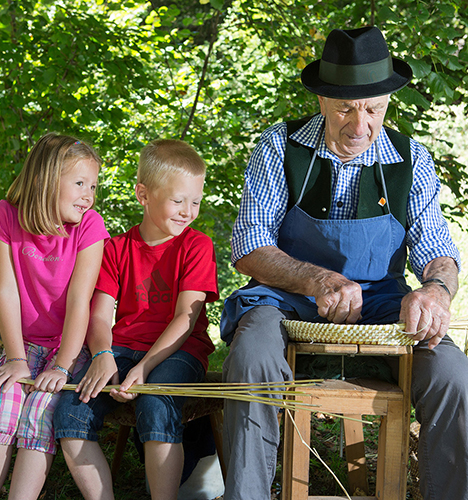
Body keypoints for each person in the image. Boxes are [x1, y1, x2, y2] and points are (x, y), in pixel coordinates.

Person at [220, 26, 468, 500]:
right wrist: (317, 278)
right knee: (251, 358)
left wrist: (435, 290)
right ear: (321, 102)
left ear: (388, 104)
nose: (360, 126)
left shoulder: (410, 159)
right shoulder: (281, 147)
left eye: (372, 109)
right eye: (346, 110)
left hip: (379, 306)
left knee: (454, 375)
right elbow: (249, 245)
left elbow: (436, 247)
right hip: (287, 301)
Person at [53, 138, 219, 500]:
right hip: (122, 348)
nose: (188, 211)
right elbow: (99, 316)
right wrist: (102, 355)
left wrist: (143, 368)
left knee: (154, 401)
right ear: (143, 195)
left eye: (195, 200)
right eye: (178, 200)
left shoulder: (197, 245)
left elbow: (184, 321)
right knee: (69, 413)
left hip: (179, 352)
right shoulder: (115, 249)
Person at [0, 133, 110, 500]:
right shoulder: (5, 216)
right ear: (44, 179)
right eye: (80, 183)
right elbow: (7, 291)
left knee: (39, 413)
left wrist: (62, 367)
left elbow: (81, 300)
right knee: (3, 405)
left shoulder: (89, 226)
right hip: (25, 344)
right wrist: (15, 359)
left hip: (68, 347)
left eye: (93, 186)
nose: (88, 194)